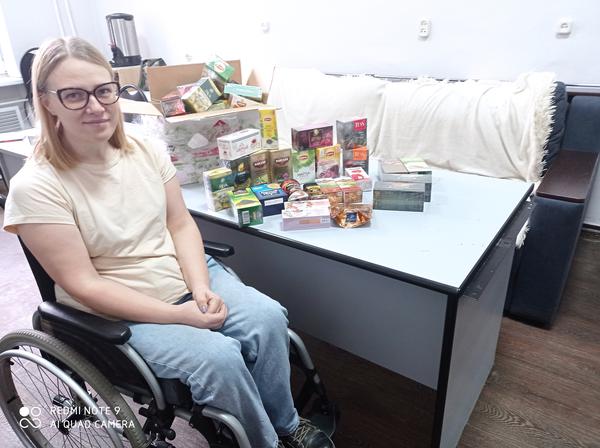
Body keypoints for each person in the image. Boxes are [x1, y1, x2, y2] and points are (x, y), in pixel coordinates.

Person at [3, 36, 334, 448]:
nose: (96, 106)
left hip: (181, 276)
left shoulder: (144, 149)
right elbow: (84, 285)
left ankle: (286, 424)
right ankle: (262, 442)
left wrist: (200, 287)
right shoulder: (36, 187)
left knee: (267, 319)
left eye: (104, 90)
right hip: (120, 308)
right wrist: (179, 316)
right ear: (47, 101)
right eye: (74, 95)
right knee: (219, 359)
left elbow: (179, 224)